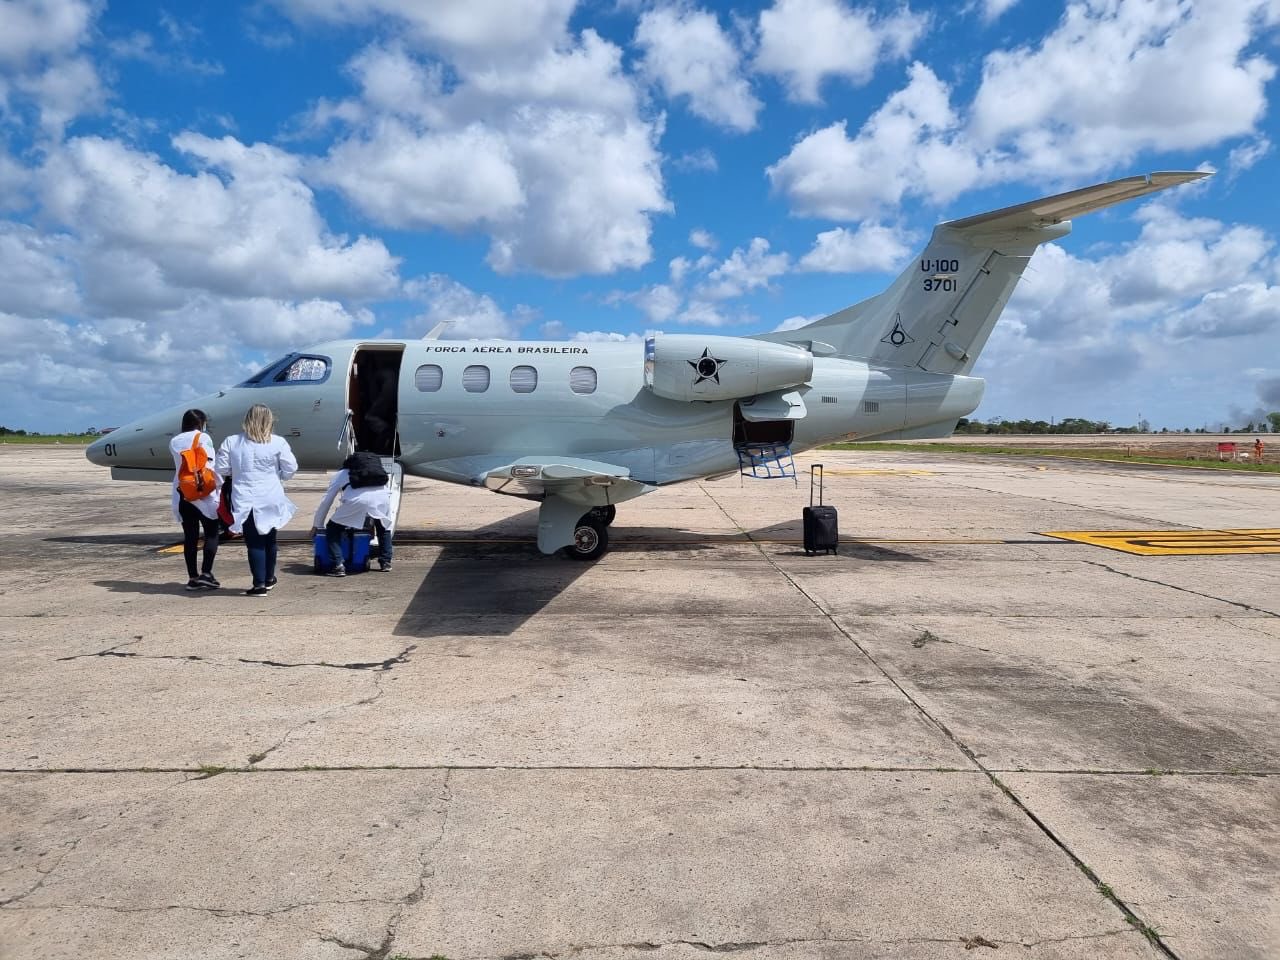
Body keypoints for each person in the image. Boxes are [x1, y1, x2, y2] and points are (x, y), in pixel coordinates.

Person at [215, 404, 298, 596]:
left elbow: (221, 468)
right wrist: (279, 476)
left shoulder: (232, 441)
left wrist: (236, 472)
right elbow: (290, 468)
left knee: (254, 542)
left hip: (245, 497)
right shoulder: (278, 442)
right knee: (270, 538)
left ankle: (259, 583)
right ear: (269, 420)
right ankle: (269, 577)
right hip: (271, 495)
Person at [312, 455, 394, 576]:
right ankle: (385, 562)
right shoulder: (375, 471)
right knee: (383, 527)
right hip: (383, 499)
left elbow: (327, 500)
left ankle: (338, 565)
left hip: (356, 501)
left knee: (333, 528)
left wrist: (317, 524)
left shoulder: (342, 474)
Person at [169, 408, 222, 591]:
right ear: (202, 423)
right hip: (203, 494)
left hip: (183, 492)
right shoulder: (203, 438)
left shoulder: (174, 441)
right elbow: (209, 464)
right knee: (212, 534)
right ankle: (206, 573)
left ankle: (192, 577)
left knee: (190, 537)